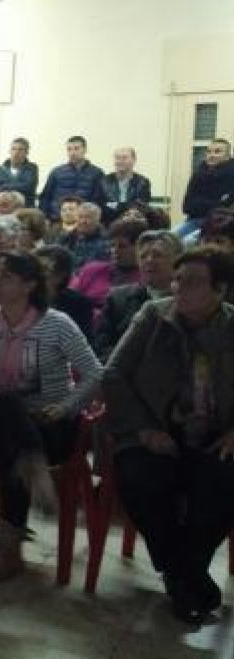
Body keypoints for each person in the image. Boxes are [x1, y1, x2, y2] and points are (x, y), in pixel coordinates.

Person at [104, 246, 234, 623]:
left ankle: (181, 575)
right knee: (139, 481)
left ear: (221, 290)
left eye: (193, 282)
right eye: (178, 279)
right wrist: (144, 429)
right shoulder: (153, 315)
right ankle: (189, 576)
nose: (179, 288)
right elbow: (113, 375)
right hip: (155, 429)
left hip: (215, 434)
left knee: (222, 486)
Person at [0, 250, 101, 583]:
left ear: (29, 285)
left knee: (9, 437)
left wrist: (65, 407)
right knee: (6, 405)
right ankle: (34, 472)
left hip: (53, 425)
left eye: (7, 278)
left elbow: (95, 374)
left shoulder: (56, 324)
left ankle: (8, 549)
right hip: (3, 420)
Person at [93, 230, 183, 362]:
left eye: (157, 255)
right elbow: (101, 347)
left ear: (177, 260)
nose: (149, 260)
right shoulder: (119, 299)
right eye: (143, 256)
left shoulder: (187, 300)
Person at [68, 216, 148, 316]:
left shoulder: (146, 279)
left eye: (122, 246)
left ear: (139, 247)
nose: (115, 250)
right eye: (112, 245)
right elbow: (69, 299)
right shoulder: (92, 270)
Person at [35, 245, 96, 343]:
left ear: (61, 276)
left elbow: (85, 344)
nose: (35, 274)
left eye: (44, 270)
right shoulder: (23, 299)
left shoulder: (79, 304)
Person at [39, 136, 106, 222]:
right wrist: (45, 217)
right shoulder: (57, 172)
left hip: (83, 221)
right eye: (69, 149)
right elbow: (45, 197)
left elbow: (98, 200)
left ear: (85, 150)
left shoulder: (97, 173)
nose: (72, 153)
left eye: (76, 149)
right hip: (57, 219)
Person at [179, 139, 234, 239]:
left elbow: (224, 209)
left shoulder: (232, 176)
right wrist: (215, 203)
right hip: (193, 221)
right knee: (168, 239)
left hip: (220, 226)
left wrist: (199, 203)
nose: (211, 155)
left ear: (228, 156)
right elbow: (186, 206)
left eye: (217, 152)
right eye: (209, 151)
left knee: (188, 242)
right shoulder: (198, 174)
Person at [100, 147, 152, 225]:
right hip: (109, 224)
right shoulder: (104, 181)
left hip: (134, 224)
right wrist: (126, 205)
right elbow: (101, 205)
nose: (120, 161)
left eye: (124, 158)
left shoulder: (142, 182)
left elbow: (141, 206)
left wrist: (116, 205)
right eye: (117, 158)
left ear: (134, 160)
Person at [58, 202, 110, 270]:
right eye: (80, 217)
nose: (83, 221)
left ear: (97, 220)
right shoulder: (66, 238)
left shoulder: (106, 242)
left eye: (88, 217)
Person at [0, 137, 39, 207]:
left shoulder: (32, 168)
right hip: (4, 210)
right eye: (13, 149)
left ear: (26, 153)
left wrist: (4, 187)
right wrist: (17, 186)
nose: (16, 152)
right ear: (9, 151)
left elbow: (28, 187)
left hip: (24, 211)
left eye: (20, 150)